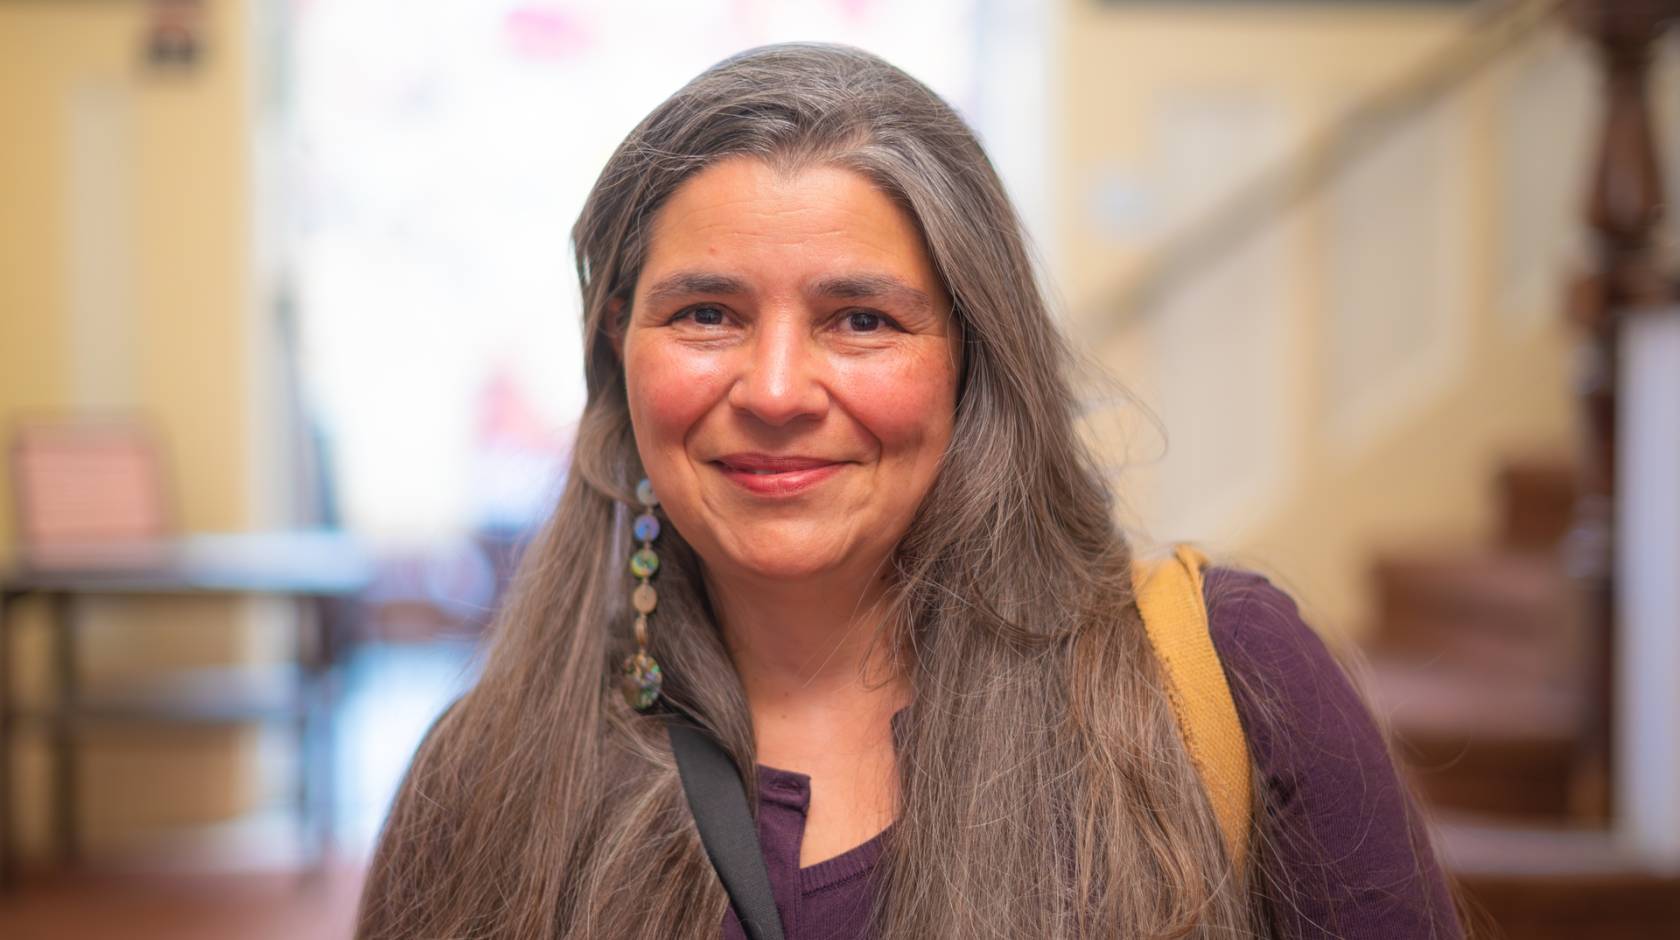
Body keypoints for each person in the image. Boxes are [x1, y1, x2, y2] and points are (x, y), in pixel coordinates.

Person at [355, 43, 1464, 940]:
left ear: (972, 360)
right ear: (619, 351)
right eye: (706, 312)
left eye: (862, 319)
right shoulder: (485, 780)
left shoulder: (1220, 683)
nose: (778, 388)